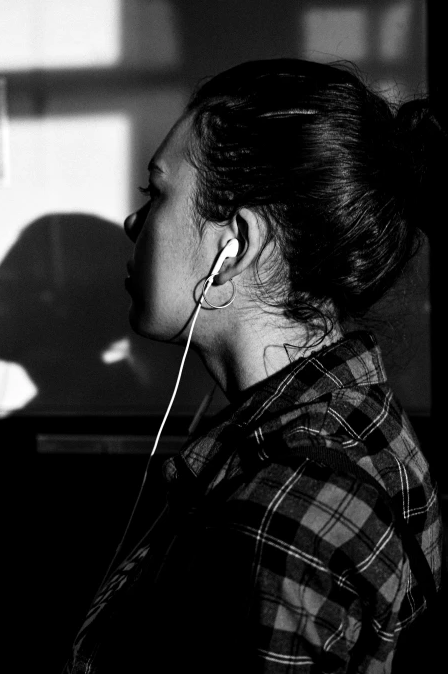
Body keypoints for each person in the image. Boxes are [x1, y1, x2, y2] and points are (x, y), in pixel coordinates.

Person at [62, 59, 443, 673]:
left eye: (156, 193)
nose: (134, 222)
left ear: (235, 243)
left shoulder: (282, 508)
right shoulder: (356, 420)